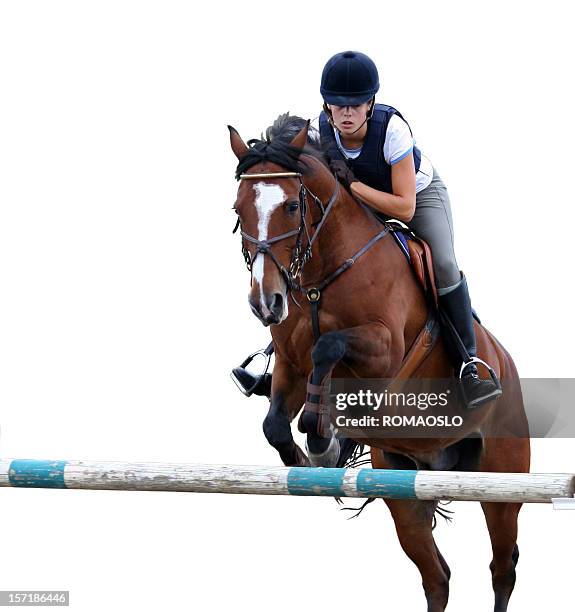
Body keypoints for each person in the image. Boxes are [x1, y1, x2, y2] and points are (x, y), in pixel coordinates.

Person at [232, 50, 501, 410]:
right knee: (308, 252)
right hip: (359, 204)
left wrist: (353, 188)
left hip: (416, 198)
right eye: (337, 105)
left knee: (446, 264)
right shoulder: (317, 130)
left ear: (370, 103)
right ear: (327, 106)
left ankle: (469, 362)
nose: (346, 113)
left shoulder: (392, 131)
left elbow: (404, 206)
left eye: (355, 105)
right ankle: (276, 357)